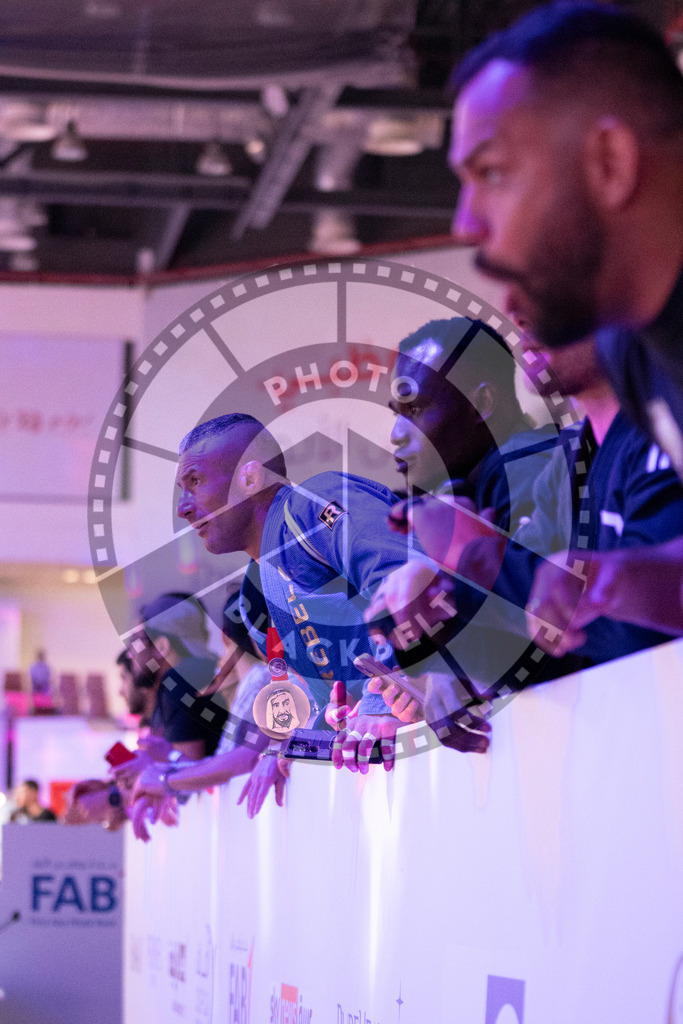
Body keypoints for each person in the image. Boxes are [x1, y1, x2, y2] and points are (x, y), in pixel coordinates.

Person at [447, 0, 683, 645]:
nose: (466, 224)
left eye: (492, 173)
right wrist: (613, 578)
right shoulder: (638, 354)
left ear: (609, 161)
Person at [366, 333, 683, 724]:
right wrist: (431, 628)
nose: (515, 309)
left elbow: (645, 631)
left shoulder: (655, 429)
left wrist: (470, 555)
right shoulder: (565, 466)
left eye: (414, 409)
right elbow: (542, 649)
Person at [173, 411, 477, 773]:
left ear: (250, 477)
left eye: (195, 482)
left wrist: (381, 700)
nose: (183, 508)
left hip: (475, 736)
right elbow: (332, 704)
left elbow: (412, 576)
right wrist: (295, 745)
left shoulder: (313, 503)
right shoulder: (256, 593)